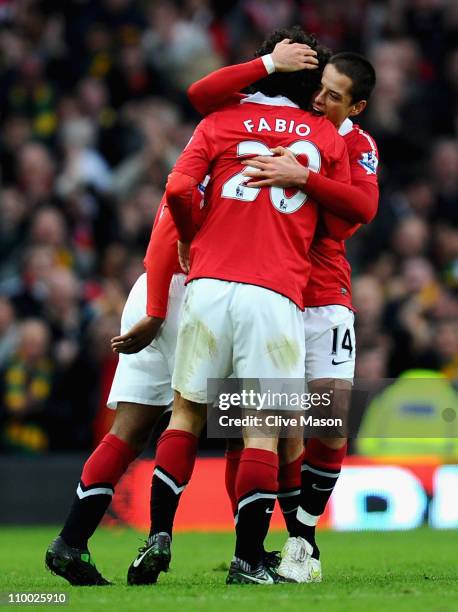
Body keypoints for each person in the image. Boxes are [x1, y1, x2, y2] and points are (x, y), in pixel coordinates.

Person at [44, 37, 319, 587]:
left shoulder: (217, 131)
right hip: (192, 292)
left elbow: (167, 222)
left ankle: (73, 542)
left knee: (132, 429)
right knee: (245, 427)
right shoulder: (284, 141)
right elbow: (170, 234)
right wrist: (153, 310)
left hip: (175, 290)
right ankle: (247, 552)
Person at [127, 26, 351, 587]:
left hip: (206, 285)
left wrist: (186, 235)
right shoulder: (325, 135)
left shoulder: (220, 121)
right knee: (261, 429)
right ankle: (249, 560)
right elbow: (346, 222)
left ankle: (159, 536)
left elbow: (179, 189)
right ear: (313, 86)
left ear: (267, 66)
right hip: (275, 292)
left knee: (185, 414)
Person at [187, 48, 378, 582]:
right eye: (320, 86)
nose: (320, 98)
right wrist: (267, 62)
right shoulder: (290, 122)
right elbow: (203, 97)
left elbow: (358, 214)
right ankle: (290, 545)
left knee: (331, 421)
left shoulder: (358, 145)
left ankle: (304, 538)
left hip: (326, 294)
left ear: (356, 107)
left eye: (334, 95)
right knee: (276, 429)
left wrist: (302, 178)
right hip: (274, 290)